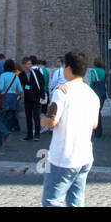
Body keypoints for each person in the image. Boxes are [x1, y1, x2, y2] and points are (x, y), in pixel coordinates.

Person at [40, 51, 100, 206]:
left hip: (63, 157)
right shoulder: (92, 94)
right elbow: (95, 124)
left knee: (52, 201)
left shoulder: (61, 92)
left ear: (68, 68)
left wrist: (42, 121)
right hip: (85, 156)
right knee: (76, 202)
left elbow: (51, 122)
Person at [0, 58, 23, 150]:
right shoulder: (15, 76)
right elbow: (20, 90)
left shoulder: (3, 75)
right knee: (8, 120)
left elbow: (1, 87)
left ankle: (2, 137)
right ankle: (2, 141)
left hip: (4, 98)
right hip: (14, 99)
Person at [20, 57, 45, 140]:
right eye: (28, 64)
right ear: (24, 65)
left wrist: (42, 94)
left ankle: (37, 134)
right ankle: (29, 134)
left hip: (36, 97)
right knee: (28, 116)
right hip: (27, 98)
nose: (29, 65)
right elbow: (23, 84)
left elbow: (42, 83)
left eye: (30, 64)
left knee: (36, 116)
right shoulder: (22, 74)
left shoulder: (36, 73)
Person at [88, 57, 108, 137]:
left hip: (96, 92)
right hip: (103, 92)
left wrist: (90, 88)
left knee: (96, 112)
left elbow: (93, 80)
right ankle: (99, 129)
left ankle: (97, 130)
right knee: (99, 111)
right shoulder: (103, 71)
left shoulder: (93, 70)